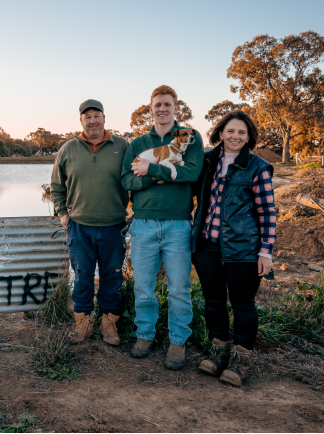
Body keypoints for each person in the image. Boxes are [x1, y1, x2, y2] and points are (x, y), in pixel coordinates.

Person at [121, 85, 204, 370]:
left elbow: (192, 172)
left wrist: (152, 170)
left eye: (167, 104)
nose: (162, 109)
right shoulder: (137, 143)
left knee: (179, 288)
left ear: (176, 108)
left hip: (179, 225)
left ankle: (178, 341)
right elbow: (127, 181)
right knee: (144, 287)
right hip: (143, 224)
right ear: (151, 108)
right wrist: (158, 178)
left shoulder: (189, 138)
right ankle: (145, 335)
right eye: (157, 105)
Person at [191, 109, 276, 386]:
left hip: (243, 249)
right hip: (207, 246)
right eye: (230, 131)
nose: (235, 136)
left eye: (241, 131)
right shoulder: (206, 162)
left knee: (243, 304)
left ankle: (241, 362)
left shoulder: (258, 167)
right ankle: (219, 353)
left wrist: (266, 251)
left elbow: (267, 212)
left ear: (249, 136)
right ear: (220, 134)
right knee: (213, 301)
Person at [50, 99, 130, 346]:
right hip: (79, 226)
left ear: (104, 118)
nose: (92, 120)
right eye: (88, 117)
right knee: (82, 276)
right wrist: (63, 213)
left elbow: (135, 179)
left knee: (112, 277)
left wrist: (133, 208)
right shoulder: (68, 149)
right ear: (81, 121)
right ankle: (82, 322)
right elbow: (56, 186)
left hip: (114, 226)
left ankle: (109, 323)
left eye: (97, 115)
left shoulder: (123, 146)